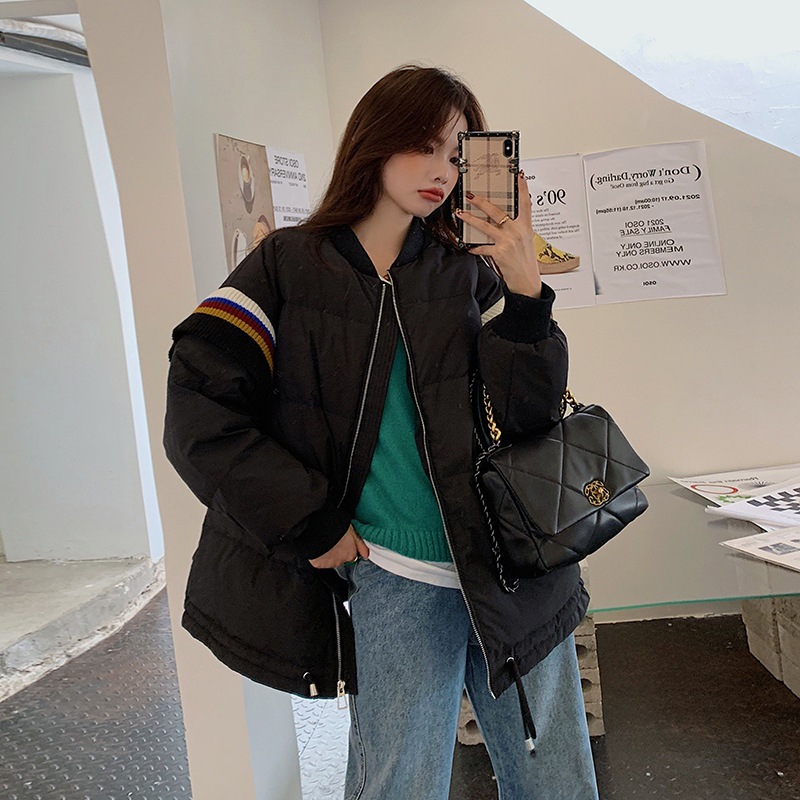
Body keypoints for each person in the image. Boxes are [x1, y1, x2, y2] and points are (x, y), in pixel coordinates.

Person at [164, 64, 599, 799]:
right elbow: (198, 410)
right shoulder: (286, 266)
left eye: (457, 155)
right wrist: (307, 521)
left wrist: (527, 291)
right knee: (399, 786)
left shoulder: (468, 272)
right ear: (375, 140)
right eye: (424, 146)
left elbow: (530, 418)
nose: (442, 172)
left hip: (513, 567)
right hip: (396, 573)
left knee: (556, 783)